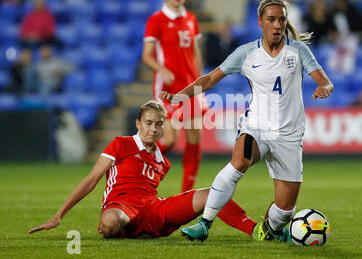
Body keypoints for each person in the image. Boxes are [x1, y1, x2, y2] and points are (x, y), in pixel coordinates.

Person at [159, 0, 334, 243]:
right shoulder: (246, 53)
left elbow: (325, 80)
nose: (277, 25)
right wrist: (179, 97)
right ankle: (204, 223)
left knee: (285, 212)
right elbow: (209, 79)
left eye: (281, 19)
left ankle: (270, 229)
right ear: (260, 21)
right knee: (238, 162)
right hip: (257, 126)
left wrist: (324, 87)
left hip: (288, 135)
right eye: (271, 19)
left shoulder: (298, 51)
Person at [28, 100, 256, 239]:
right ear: (138, 123)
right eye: (148, 123)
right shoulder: (121, 144)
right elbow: (92, 179)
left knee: (213, 192)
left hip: (154, 210)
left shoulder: (162, 161)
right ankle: (133, 230)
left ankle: (256, 230)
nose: (154, 129)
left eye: (159, 124)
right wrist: (59, 215)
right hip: (120, 206)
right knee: (109, 222)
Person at [141, 0, 207, 192]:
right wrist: (162, 70)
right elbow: (147, 55)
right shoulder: (156, 20)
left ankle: (186, 191)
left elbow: (196, 53)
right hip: (167, 89)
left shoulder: (191, 19)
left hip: (191, 87)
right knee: (169, 136)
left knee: (194, 135)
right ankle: (142, 170)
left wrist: (200, 82)